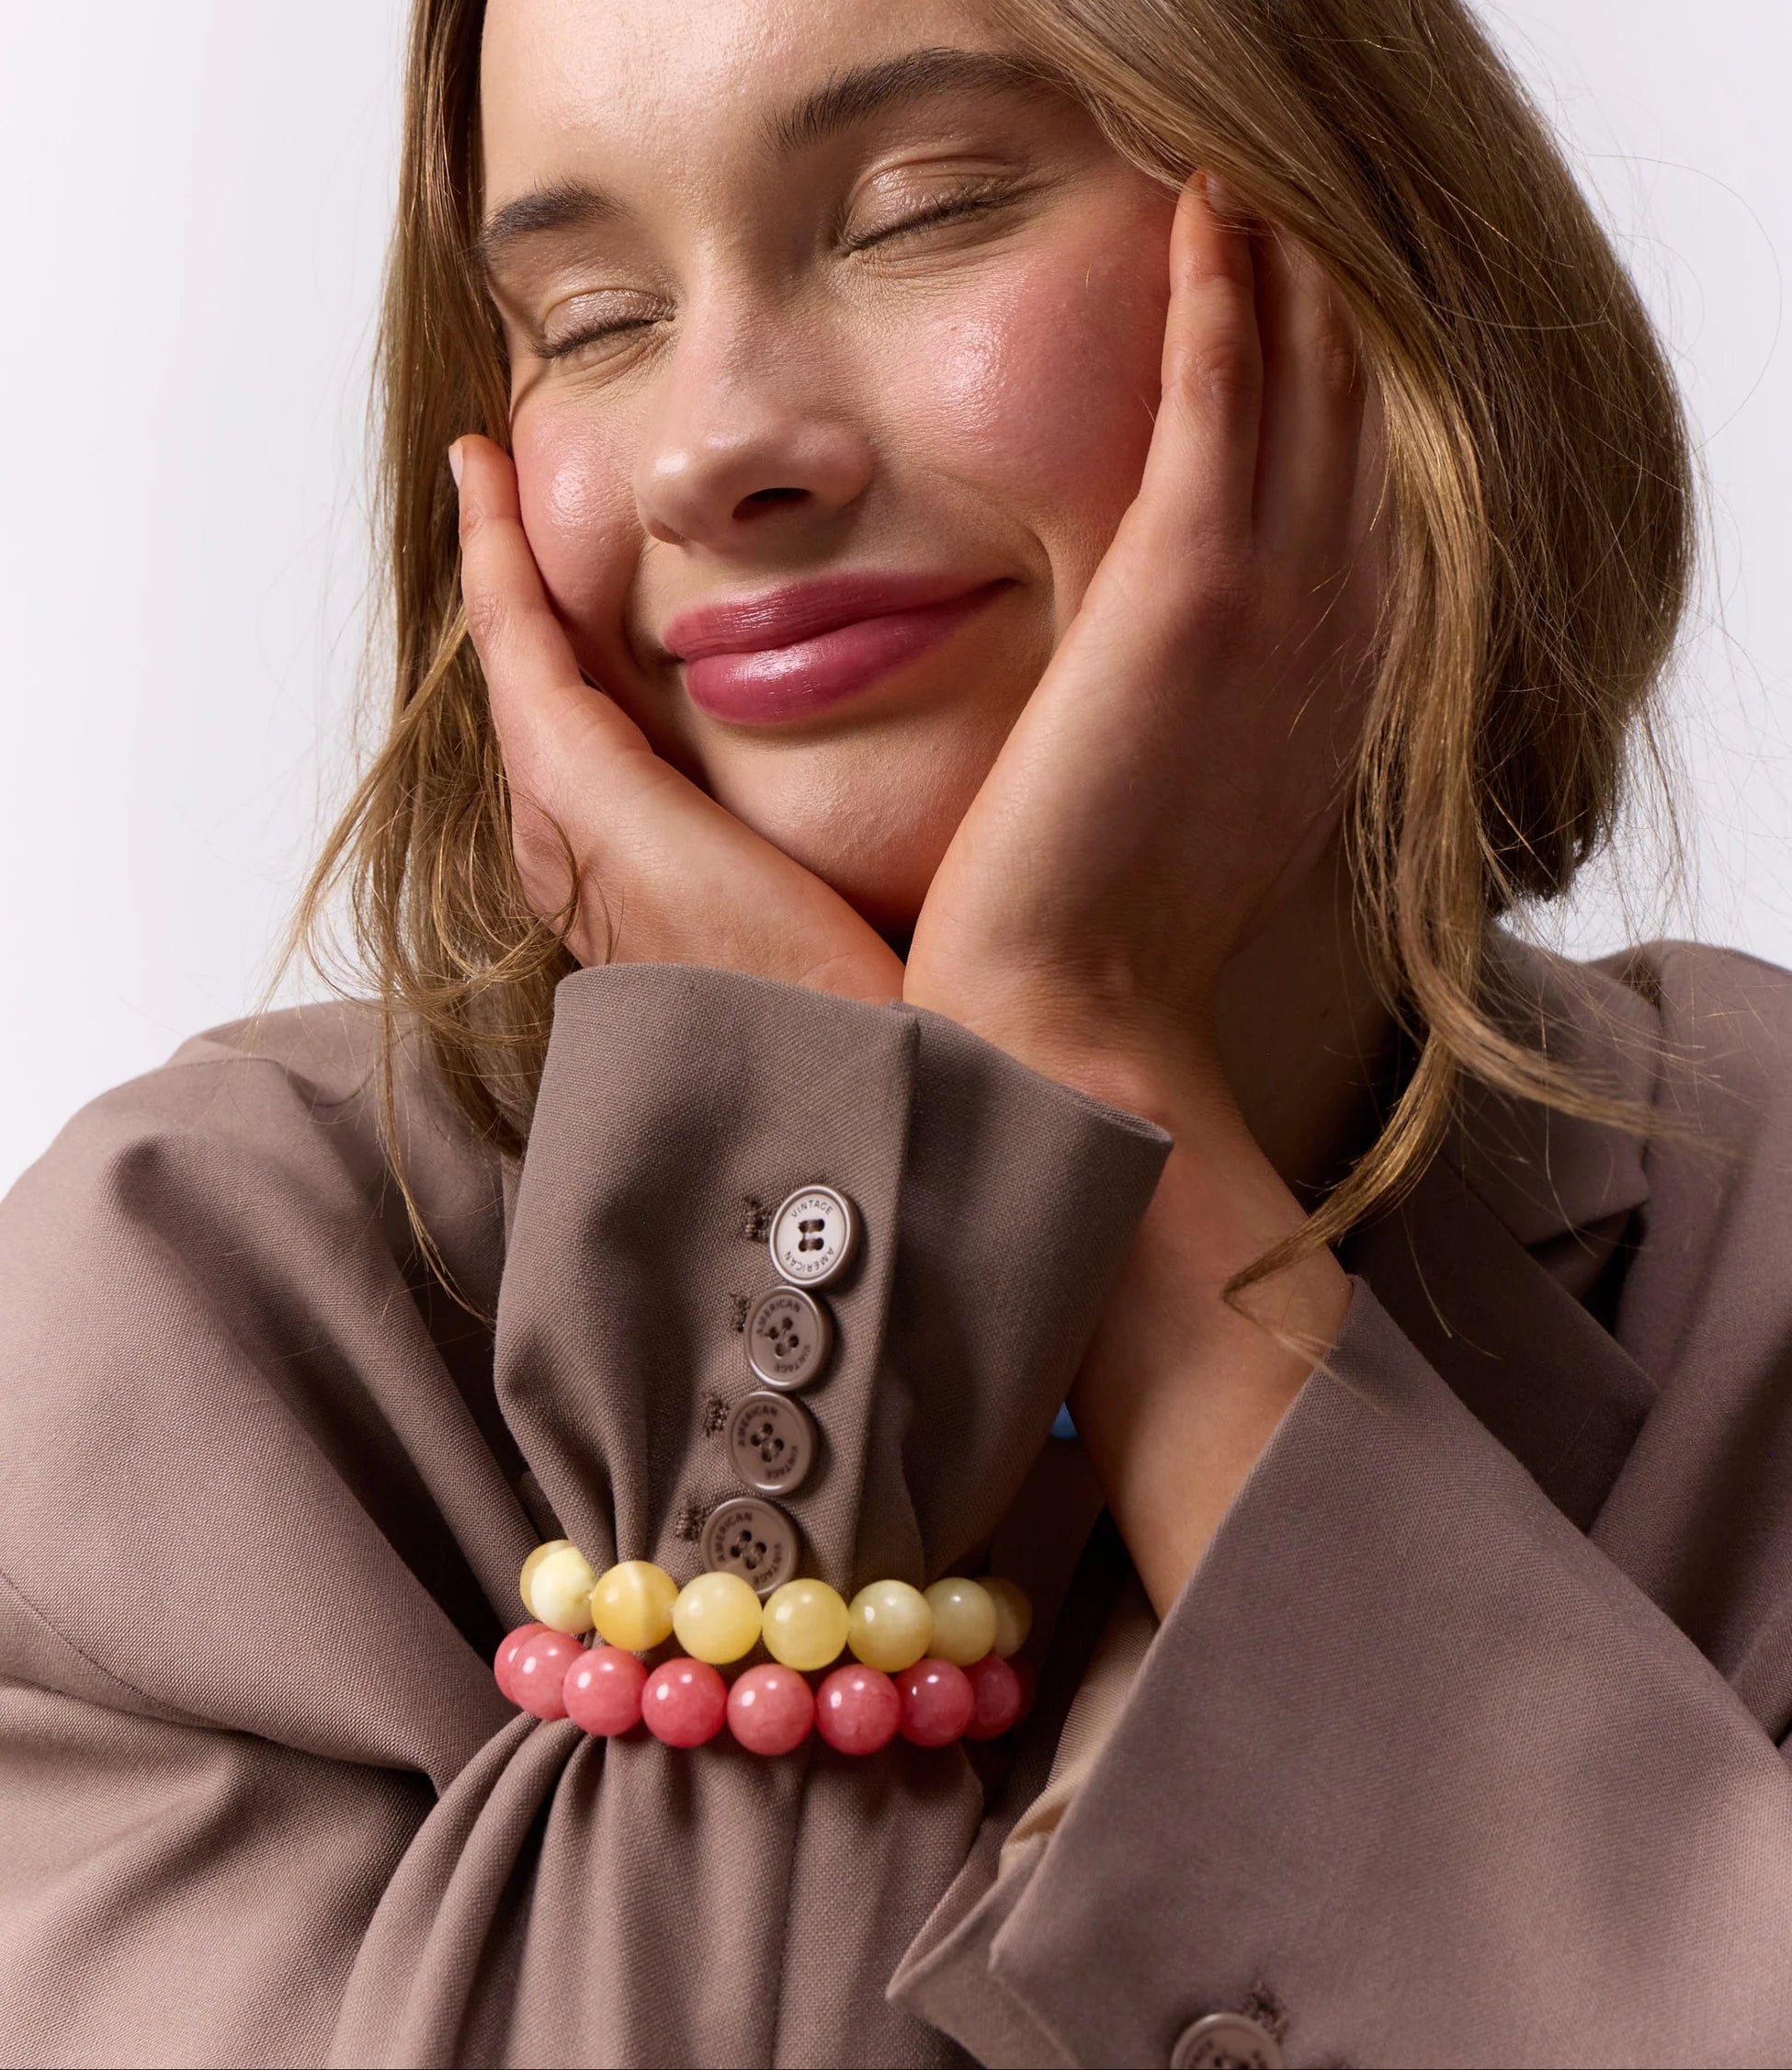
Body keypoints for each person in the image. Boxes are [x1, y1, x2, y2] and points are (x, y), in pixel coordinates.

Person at [3, 0, 1787, 2064]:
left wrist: (1095, 1089)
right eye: (590, 321)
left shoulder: (1753, 1252)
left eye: (919, 212)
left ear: (1372, 270)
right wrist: (814, 1216)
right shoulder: (184, 1343)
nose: (710, 450)